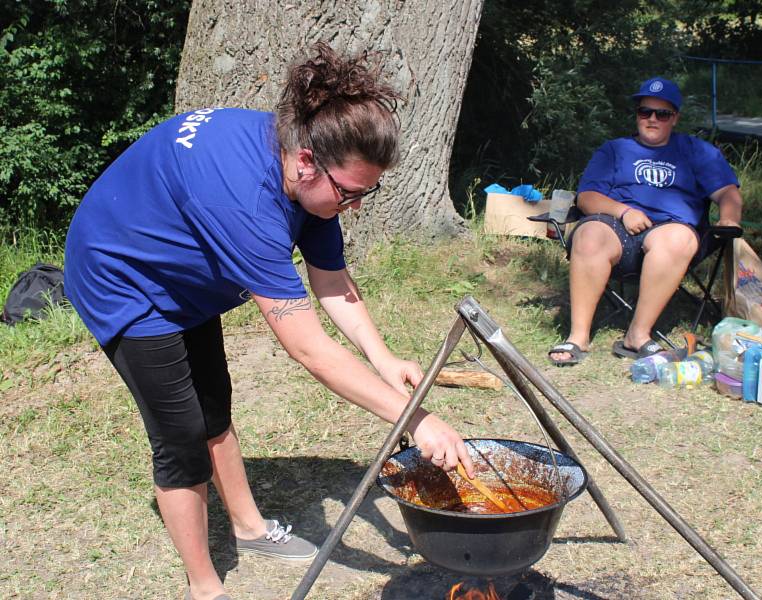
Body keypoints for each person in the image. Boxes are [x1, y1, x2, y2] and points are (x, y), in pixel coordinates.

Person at [64, 42, 475, 600]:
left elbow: (331, 280)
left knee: (213, 406)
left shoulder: (310, 177)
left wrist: (383, 358)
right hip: (123, 276)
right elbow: (308, 349)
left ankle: (250, 529)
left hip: (187, 276)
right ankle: (204, 586)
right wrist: (415, 419)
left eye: (366, 193)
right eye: (350, 193)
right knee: (181, 436)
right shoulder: (248, 202)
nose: (354, 206)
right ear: (307, 162)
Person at [548, 76, 743, 366]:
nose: (652, 119)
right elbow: (587, 196)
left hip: (673, 231)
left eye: (662, 114)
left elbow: (728, 192)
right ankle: (578, 336)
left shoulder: (697, 151)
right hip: (617, 229)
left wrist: (729, 218)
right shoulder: (615, 150)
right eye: (645, 112)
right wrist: (624, 212)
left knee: (675, 239)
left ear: (674, 118)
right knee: (589, 235)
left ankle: (637, 335)